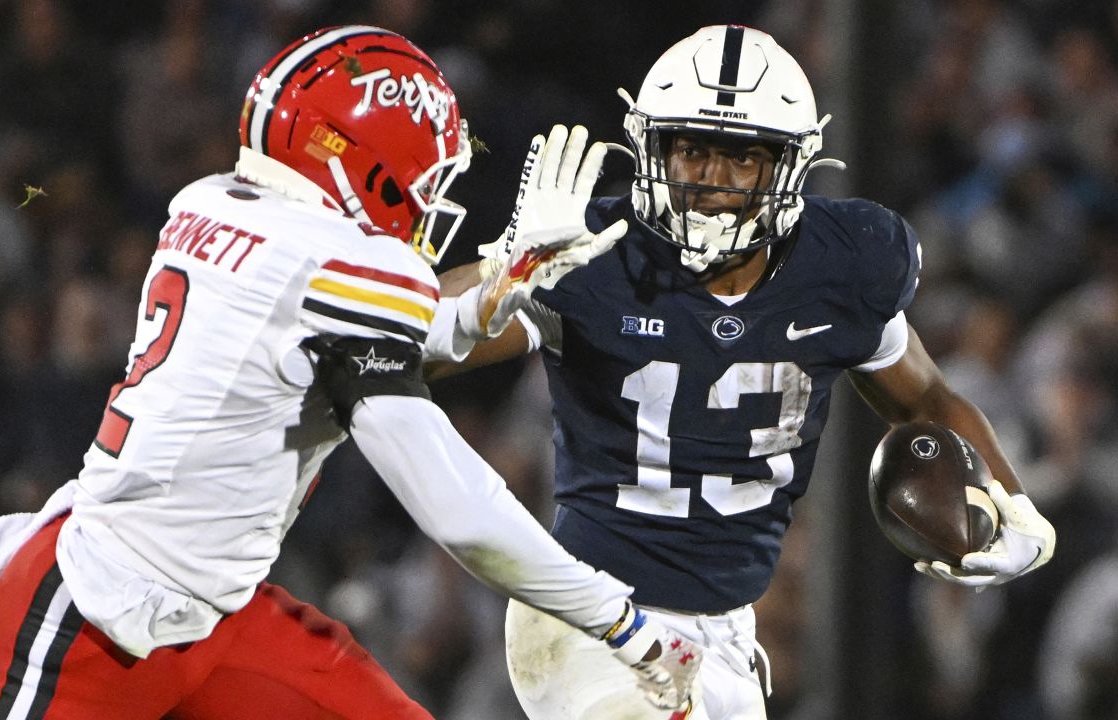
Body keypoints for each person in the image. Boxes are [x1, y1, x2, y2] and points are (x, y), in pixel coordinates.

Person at [0, 26, 702, 719]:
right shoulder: (328, 262)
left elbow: (378, 332)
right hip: (99, 621)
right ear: (365, 164)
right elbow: (451, 498)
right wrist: (617, 620)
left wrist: (506, 283)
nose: (425, 208)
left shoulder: (213, 206)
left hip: (217, 613)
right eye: (422, 182)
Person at [427, 25, 1058, 720]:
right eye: (691, 150)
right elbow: (414, 343)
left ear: (788, 168)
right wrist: (502, 277)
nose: (710, 181)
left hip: (726, 633)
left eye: (740, 159)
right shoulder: (595, 251)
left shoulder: (840, 267)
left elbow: (926, 396)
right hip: (586, 619)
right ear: (652, 147)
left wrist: (1014, 506)